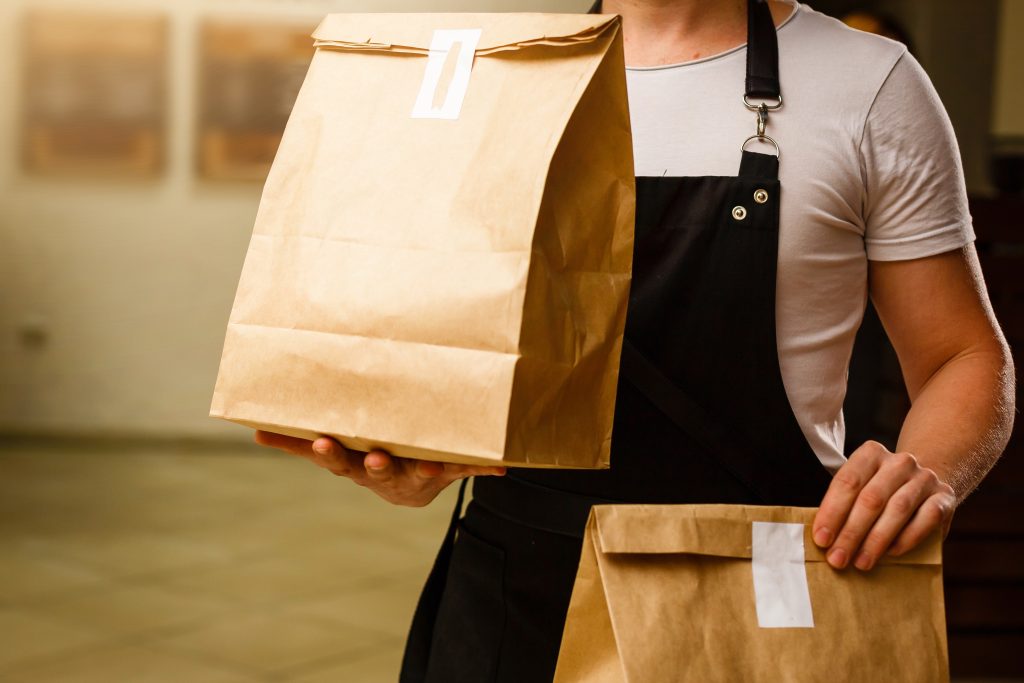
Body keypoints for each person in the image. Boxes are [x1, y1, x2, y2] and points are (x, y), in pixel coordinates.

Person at [255, 0, 1016, 680]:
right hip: (515, 588)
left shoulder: (870, 84)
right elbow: (442, 338)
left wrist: (932, 473)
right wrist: (409, 453)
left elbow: (964, 354)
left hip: (755, 595)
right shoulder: (507, 75)